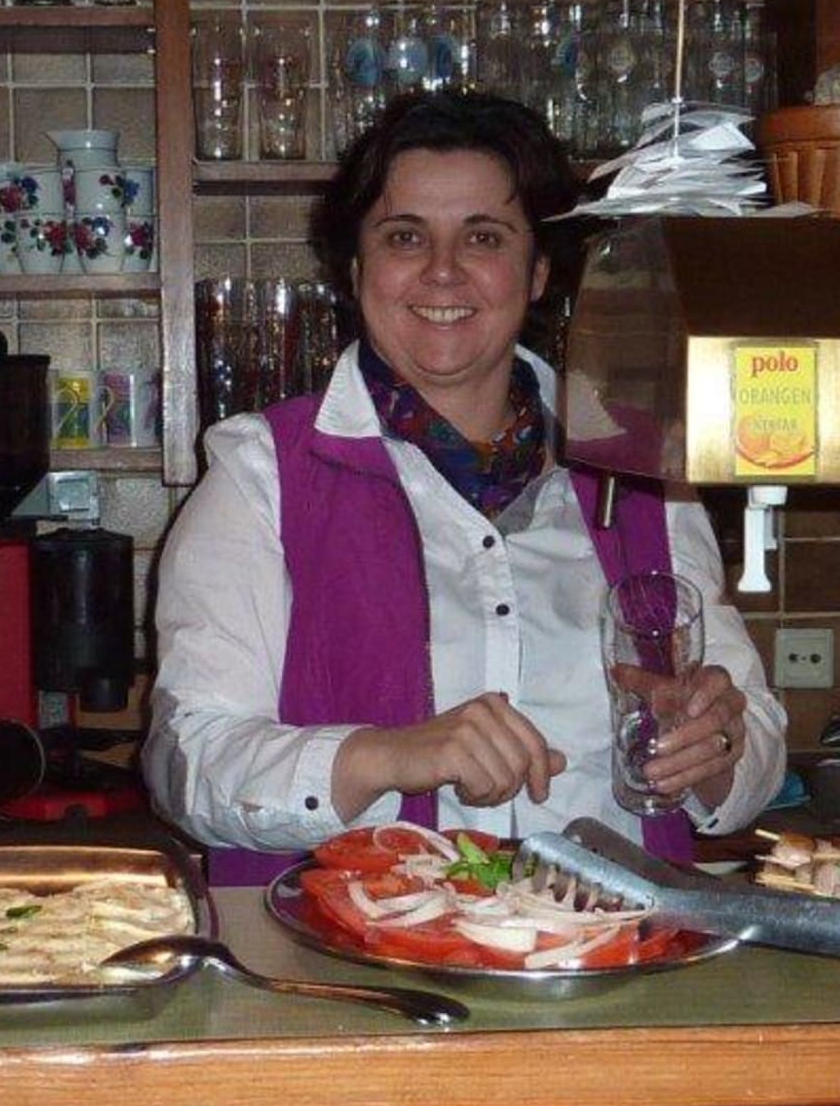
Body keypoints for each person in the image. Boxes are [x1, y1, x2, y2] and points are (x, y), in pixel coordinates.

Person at [144, 92, 786, 883]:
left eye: (483, 236)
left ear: (538, 271)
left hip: (608, 941)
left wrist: (716, 749)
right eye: (404, 236)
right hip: (341, 951)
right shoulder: (261, 473)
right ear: (357, 269)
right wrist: (385, 756)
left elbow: (752, 749)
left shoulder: (642, 467)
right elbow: (186, 762)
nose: (442, 270)